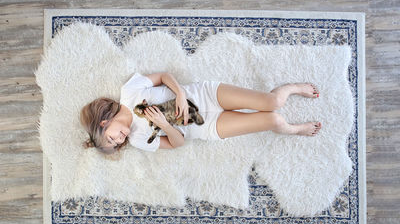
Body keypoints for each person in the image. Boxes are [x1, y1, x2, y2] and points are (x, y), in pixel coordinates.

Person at [80, 72, 322, 155]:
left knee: (274, 101)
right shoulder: (138, 140)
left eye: (112, 138)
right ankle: (292, 129)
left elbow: (164, 76)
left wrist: (181, 95)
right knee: (274, 119)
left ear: (104, 122)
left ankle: (288, 89)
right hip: (208, 126)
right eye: (116, 144)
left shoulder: (129, 91)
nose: (120, 140)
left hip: (206, 95)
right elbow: (178, 144)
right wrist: (164, 125)